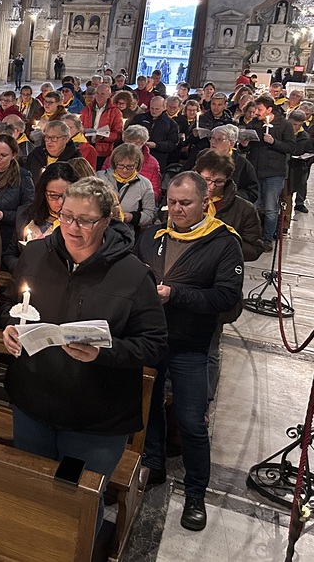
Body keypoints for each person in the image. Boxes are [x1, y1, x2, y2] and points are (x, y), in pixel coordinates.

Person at [3, 177, 168, 532]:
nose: (72, 227)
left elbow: (155, 344)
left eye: (85, 220)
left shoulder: (133, 275)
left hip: (93, 419)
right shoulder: (36, 254)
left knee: (74, 505)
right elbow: (10, 305)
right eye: (66, 216)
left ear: (107, 220)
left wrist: (103, 352)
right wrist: (11, 327)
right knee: (32, 496)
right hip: (32, 405)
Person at [136, 172, 243, 532]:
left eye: (185, 203)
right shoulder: (153, 235)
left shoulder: (223, 242)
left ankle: (196, 492)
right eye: (172, 202)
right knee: (148, 406)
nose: (177, 209)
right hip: (152, 337)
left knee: (192, 421)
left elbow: (227, 297)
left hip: (191, 344)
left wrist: (175, 294)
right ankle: (154, 463)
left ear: (205, 202)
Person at [194, 149, 263, 401]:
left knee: (210, 350)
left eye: (218, 182)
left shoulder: (242, 209)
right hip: (184, 284)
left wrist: (223, 248)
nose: (211, 187)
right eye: (206, 180)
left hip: (216, 286)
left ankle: (204, 400)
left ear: (228, 180)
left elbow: (255, 247)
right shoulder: (184, 199)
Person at [2, 161, 81, 271]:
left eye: (66, 195)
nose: (60, 202)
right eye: (53, 195)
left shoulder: (81, 222)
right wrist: (22, 267)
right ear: (44, 193)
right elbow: (9, 255)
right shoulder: (27, 215)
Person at [245, 94, 295, 250]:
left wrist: (274, 142)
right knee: (252, 206)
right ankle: (252, 236)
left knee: (271, 208)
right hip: (255, 171)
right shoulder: (254, 123)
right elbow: (247, 147)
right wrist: (244, 144)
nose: (256, 113)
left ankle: (267, 238)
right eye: (255, 109)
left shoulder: (284, 125)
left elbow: (290, 147)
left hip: (274, 173)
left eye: (259, 109)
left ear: (269, 110)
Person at [0, 134, 35, 252]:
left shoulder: (23, 178)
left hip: (4, 235)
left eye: (3, 155)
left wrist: (4, 215)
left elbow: (29, 211)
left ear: (13, 155)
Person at [97, 143, 157, 232]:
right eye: (120, 165)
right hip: (100, 229)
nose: (124, 170)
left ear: (137, 164)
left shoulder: (145, 184)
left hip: (125, 233)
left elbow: (150, 215)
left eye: (130, 166)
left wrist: (133, 217)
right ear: (114, 163)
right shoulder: (100, 177)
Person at [79, 84, 124, 168]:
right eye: (97, 93)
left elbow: (118, 135)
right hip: (86, 148)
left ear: (109, 95)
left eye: (102, 94)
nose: (99, 96)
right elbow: (80, 128)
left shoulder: (115, 112)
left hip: (104, 151)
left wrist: (104, 136)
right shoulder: (86, 110)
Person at [131, 96, 179, 171]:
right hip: (136, 155)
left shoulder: (171, 123)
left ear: (164, 107)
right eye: (152, 108)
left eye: (157, 109)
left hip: (158, 158)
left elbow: (172, 143)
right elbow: (129, 133)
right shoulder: (139, 118)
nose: (153, 111)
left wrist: (156, 145)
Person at [287, 109, 313, 216]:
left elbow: (310, 151)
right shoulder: (284, 132)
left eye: (299, 125)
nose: (296, 127)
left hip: (300, 165)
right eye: (294, 124)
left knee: (301, 183)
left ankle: (300, 202)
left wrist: (305, 158)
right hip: (285, 164)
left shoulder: (305, 136)